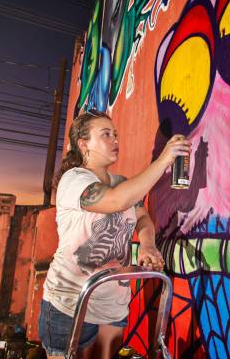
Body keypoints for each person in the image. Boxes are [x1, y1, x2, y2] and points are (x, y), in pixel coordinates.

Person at [38, 109, 191, 359]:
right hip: (70, 307)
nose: (115, 140)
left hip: (114, 307)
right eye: (106, 134)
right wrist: (163, 160)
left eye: (116, 134)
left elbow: (142, 217)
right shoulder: (74, 180)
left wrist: (147, 245)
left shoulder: (122, 182)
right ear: (84, 144)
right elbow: (114, 201)